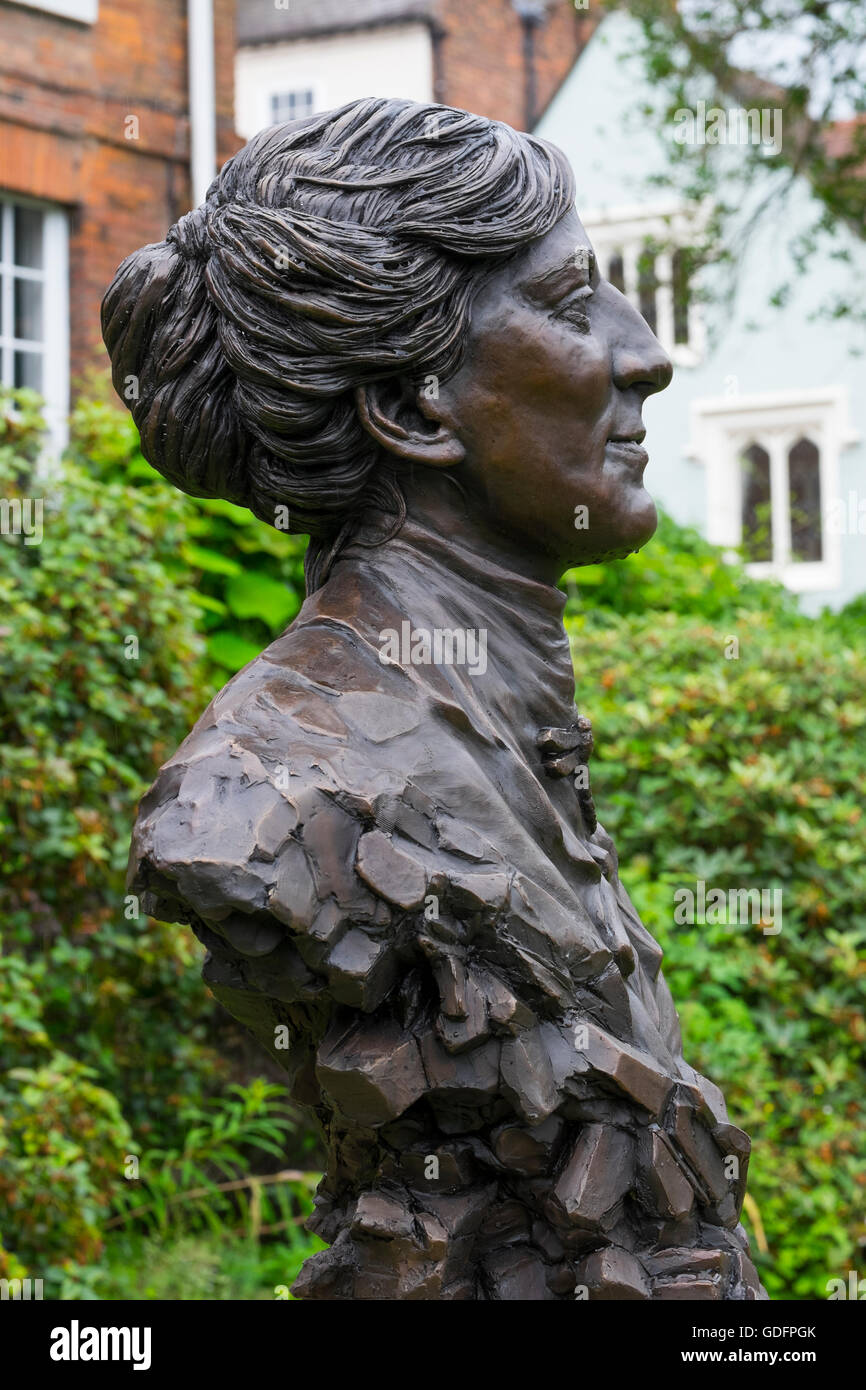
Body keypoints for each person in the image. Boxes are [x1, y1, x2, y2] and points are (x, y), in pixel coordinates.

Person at [103, 97, 766, 1300]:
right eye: (570, 304)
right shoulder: (277, 793)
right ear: (413, 409)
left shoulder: (490, 703)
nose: (646, 353)